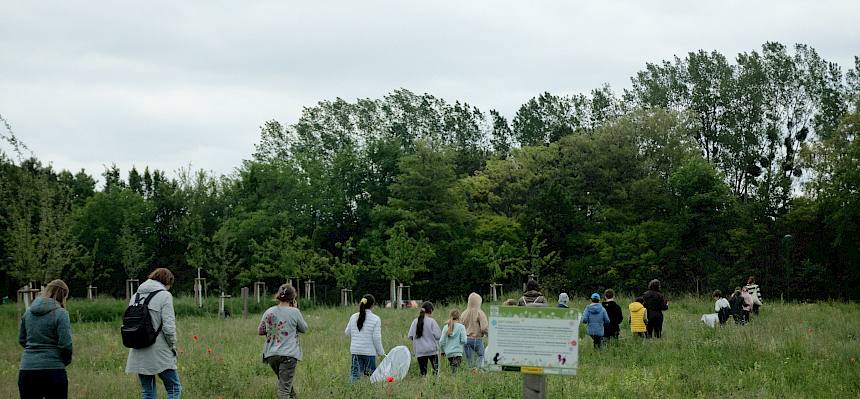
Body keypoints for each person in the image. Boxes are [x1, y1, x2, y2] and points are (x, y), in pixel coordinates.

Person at [126, 268, 181, 399]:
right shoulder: (165, 296)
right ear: (167, 281)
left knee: (148, 392)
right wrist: (173, 346)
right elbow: (168, 328)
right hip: (160, 351)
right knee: (174, 389)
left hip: (139, 349)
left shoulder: (135, 296)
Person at [18, 279, 73, 399]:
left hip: (27, 370)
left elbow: (22, 339)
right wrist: (64, 361)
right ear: (63, 295)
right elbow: (66, 344)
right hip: (54, 370)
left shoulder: (28, 313)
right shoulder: (61, 314)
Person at [258, 284, 308, 399]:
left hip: (271, 355)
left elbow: (260, 330)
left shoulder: (269, 311)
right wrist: (296, 310)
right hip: (288, 355)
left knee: (284, 382)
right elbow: (304, 329)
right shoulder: (295, 312)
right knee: (284, 390)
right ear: (293, 298)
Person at [345, 294, 385, 383]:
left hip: (355, 351)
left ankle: (350, 393)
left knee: (354, 375)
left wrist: (357, 337)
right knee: (371, 376)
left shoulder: (353, 317)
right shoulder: (376, 319)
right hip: (369, 352)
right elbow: (376, 338)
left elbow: (347, 332)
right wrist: (381, 352)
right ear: (373, 305)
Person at [408, 301, 442, 376]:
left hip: (420, 351)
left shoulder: (415, 321)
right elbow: (438, 336)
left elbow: (410, 336)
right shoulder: (432, 321)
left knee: (423, 373)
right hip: (432, 350)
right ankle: (434, 385)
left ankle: (423, 385)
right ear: (430, 311)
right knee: (436, 372)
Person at [460, 293, 489, 370]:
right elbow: (484, 327)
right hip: (477, 339)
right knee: (481, 355)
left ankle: (471, 372)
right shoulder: (480, 313)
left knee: (469, 359)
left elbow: (460, 327)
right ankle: (479, 370)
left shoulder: (464, 313)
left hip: (466, 339)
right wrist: (488, 334)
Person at [438, 309, 467, 373]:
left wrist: (442, 351)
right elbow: (464, 340)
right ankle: (453, 380)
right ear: (459, 317)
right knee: (455, 371)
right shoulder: (461, 327)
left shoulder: (445, 327)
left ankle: (452, 380)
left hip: (448, 353)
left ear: (450, 316)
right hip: (458, 352)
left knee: (453, 369)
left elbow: (441, 342)